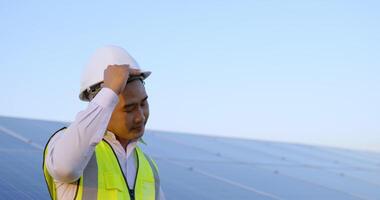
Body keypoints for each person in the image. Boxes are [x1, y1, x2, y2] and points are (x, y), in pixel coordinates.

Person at [43, 45, 165, 200]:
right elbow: (64, 169)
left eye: (143, 104)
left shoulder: (148, 166)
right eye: (129, 108)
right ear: (105, 105)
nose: (140, 117)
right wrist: (110, 91)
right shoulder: (67, 145)